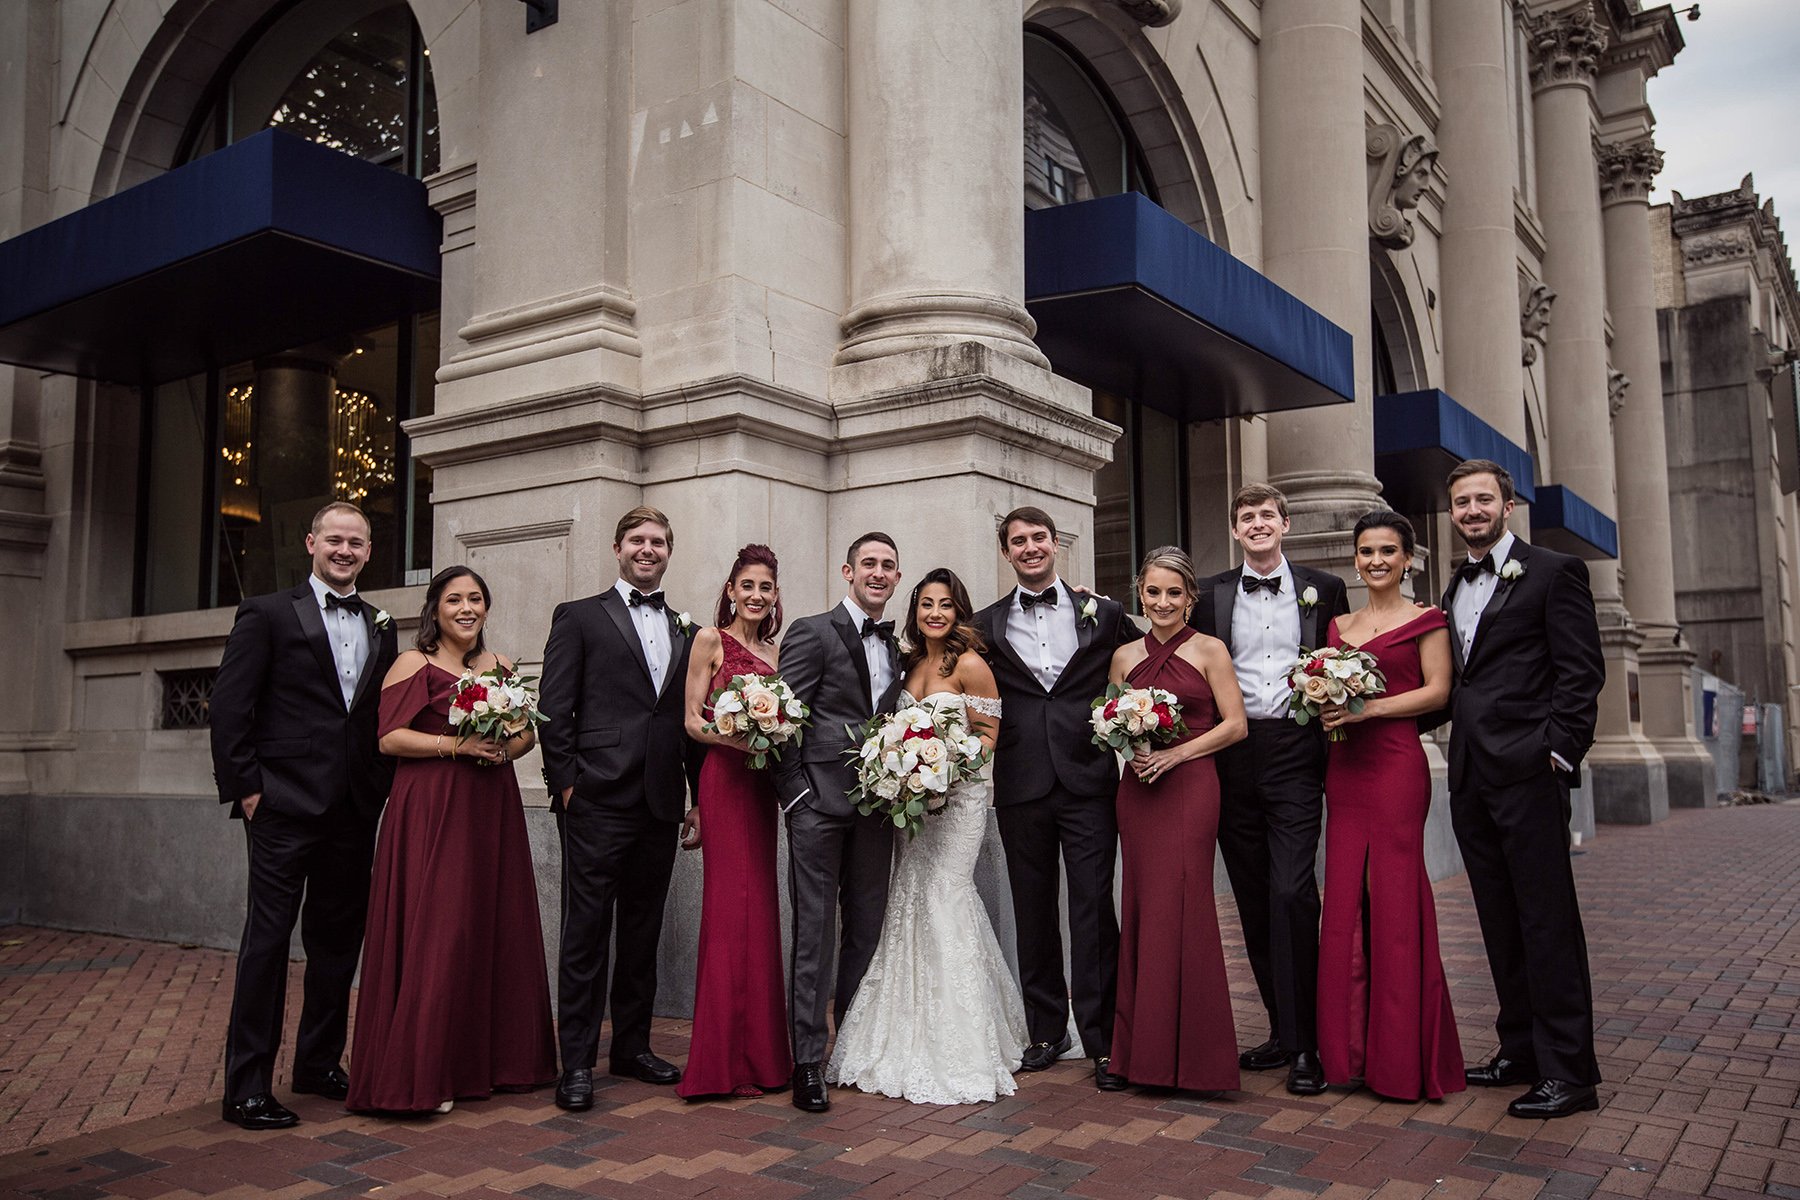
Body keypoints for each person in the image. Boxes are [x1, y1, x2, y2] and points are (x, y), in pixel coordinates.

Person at [209, 501, 398, 1130]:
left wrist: (379, 787)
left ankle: (318, 1062)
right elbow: (231, 705)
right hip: (283, 805)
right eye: (335, 540)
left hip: (352, 807)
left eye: (357, 543)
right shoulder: (265, 613)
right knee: (266, 943)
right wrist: (247, 791)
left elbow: (373, 716)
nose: (345, 551)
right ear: (312, 543)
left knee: (338, 943)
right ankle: (247, 1087)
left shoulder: (381, 622)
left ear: (369, 552)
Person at [347, 567, 558, 1114]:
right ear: (435, 608)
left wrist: (503, 748)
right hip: (432, 807)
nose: (466, 608)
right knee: (439, 929)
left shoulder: (501, 665)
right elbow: (389, 737)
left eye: (476, 599)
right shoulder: (412, 663)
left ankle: (494, 1064)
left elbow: (527, 731)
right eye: (455, 599)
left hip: (491, 808)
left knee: (491, 926)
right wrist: (457, 746)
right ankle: (422, 1073)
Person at [1441, 460, 1604, 1120]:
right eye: (1461, 502)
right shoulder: (1454, 584)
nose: (1473, 510)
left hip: (1531, 774)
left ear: (1508, 504)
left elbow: (1580, 673)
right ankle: (1521, 1049)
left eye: (1484, 499)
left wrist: (1558, 756)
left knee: (1546, 922)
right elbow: (1464, 682)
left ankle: (1571, 1072)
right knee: (1500, 920)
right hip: (1474, 778)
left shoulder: (1553, 572)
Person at [828, 568, 1026, 1105]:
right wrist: (905, 774)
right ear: (915, 612)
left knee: (944, 898)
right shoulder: (910, 663)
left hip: (958, 805)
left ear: (959, 611)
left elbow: (988, 737)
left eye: (945, 604)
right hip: (914, 810)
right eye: (926, 604)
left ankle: (964, 1041)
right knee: (910, 902)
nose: (935, 613)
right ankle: (906, 1028)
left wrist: (947, 774)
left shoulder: (970, 664)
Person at [539, 506, 703, 1111]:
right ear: (617, 548)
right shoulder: (580, 616)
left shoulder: (686, 629)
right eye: (637, 539)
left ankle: (631, 1048)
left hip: (659, 803)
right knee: (585, 932)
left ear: (668, 551)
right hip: (596, 798)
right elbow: (553, 706)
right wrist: (566, 785)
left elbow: (686, 724)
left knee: (642, 931)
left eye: (658, 541)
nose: (647, 549)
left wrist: (696, 797)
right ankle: (576, 1063)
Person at [1190, 483, 1349, 1096]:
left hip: (1295, 752)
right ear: (1236, 530)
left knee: (1291, 891)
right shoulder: (1213, 595)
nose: (1257, 524)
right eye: (1246, 517)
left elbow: (1340, 659)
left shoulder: (1324, 589)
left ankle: (1308, 1044)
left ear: (1284, 524)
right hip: (1232, 754)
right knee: (1254, 897)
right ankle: (1283, 1031)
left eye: (1266, 515)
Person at [975, 506, 1139, 1091]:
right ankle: (1047, 1030)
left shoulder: (1107, 613)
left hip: (1090, 779)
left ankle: (1102, 1039)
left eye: (1038, 538)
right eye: (1018, 541)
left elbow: (1155, 656)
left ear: (1055, 544)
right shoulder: (984, 624)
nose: (1029, 548)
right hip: (1021, 783)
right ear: (1006, 552)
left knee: (1094, 909)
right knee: (1033, 907)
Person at [1314, 512, 1463, 1102]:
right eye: (1367, 551)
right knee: (1346, 894)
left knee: (1395, 893)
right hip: (1345, 769)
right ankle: (1347, 1053)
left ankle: (1400, 1058)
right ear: (1355, 559)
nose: (1377, 560)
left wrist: (1369, 710)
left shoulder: (1427, 620)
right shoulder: (1337, 625)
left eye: (1388, 551)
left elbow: (1438, 690)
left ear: (1407, 559)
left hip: (1398, 764)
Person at [771, 533, 904, 1112]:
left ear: (897, 578)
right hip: (818, 806)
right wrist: (795, 794)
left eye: (889, 566)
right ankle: (807, 1060)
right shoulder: (811, 630)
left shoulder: (897, 646)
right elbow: (783, 716)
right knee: (815, 934)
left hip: (877, 810)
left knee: (867, 931)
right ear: (847, 571)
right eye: (869, 564)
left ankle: (850, 1044)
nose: (878, 573)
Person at [1106, 546, 1247, 1094]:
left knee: (1185, 908)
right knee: (1141, 908)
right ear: (1139, 594)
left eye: (1173, 593)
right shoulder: (1123, 656)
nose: (1162, 602)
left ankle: (1198, 1062)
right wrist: (1132, 748)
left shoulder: (1210, 650)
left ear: (1190, 599)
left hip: (1190, 786)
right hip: (1139, 791)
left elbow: (1235, 725)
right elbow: (1112, 720)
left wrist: (1177, 754)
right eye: (1152, 592)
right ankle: (1139, 1057)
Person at [677, 545, 793, 1101]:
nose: (755, 595)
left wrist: (772, 733)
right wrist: (740, 736)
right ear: (730, 590)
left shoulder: (775, 650)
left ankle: (763, 1059)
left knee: (761, 910)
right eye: (746, 585)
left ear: (774, 595)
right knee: (728, 911)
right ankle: (719, 1063)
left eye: (764, 587)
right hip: (724, 781)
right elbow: (692, 721)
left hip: (760, 788)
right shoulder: (708, 640)